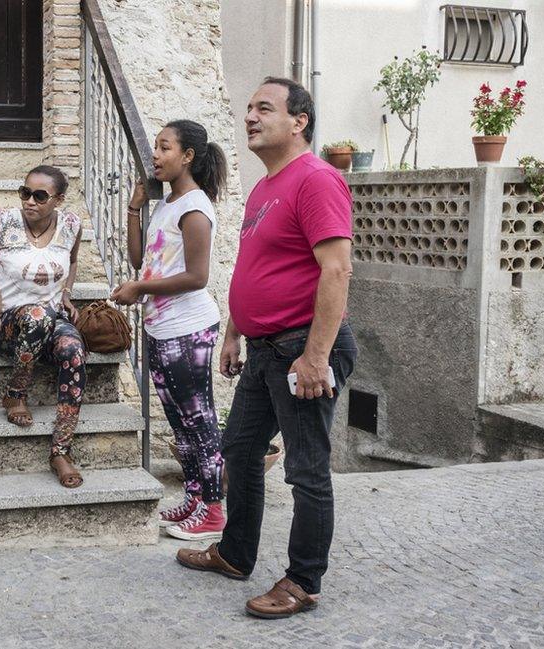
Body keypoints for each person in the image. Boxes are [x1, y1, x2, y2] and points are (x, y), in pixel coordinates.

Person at [175, 77, 358, 619]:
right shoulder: (265, 187)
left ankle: (303, 581)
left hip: (302, 346)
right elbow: (259, 269)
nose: (250, 117)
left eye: (264, 108)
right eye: (248, 108)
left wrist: (316, 357)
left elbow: (337, 268)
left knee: (306, 468)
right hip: (264, 346)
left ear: (299, 121)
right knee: (240, 446)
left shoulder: (317, 180)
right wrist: (235, 331)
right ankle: (235, 553)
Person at [112, 120, 228, 541]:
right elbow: (140, 259)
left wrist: (140, 288)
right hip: (163, 328)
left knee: (199, 421)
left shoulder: (195, 208)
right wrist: (133, 209)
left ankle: (213, 511)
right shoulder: (168, 205)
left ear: (188, 156)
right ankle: (195, 499)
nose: (155, 156)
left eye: (164, 148)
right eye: (155, 148)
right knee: (181, 423)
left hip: (188, 328)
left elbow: (197, 276)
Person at [0, 166, 86, 488]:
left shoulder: (71, 225)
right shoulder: (2, 222)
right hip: (3, 324)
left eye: (40, 196)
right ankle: (15, 393)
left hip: (50, 318)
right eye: (24, 192)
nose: (30, 201)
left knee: (74, 350)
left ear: (58, 199)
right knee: (37, 316)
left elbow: (71, 261)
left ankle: (60, 450)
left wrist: (67, 293)